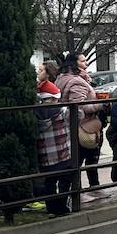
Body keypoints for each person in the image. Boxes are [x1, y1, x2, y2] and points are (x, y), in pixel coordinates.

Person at [56, 52, 106, 196]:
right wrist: (101, 105)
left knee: (75, 161)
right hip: (82, 126)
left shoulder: (62, 77)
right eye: (83, 61)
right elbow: (79, 107)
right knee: (82, 159)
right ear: (75, 64)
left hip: (71, 126)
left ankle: (73, 191)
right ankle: (76, 192)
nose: (87, 64)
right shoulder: (76, 81)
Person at [35, 62, 74, 213]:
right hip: (62, 152)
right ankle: (62, 205)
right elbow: (77, 115)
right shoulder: (61, 111)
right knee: (65, 178)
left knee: (49, 182)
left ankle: (51, 207)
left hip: (45, 155)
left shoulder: (37, 112)